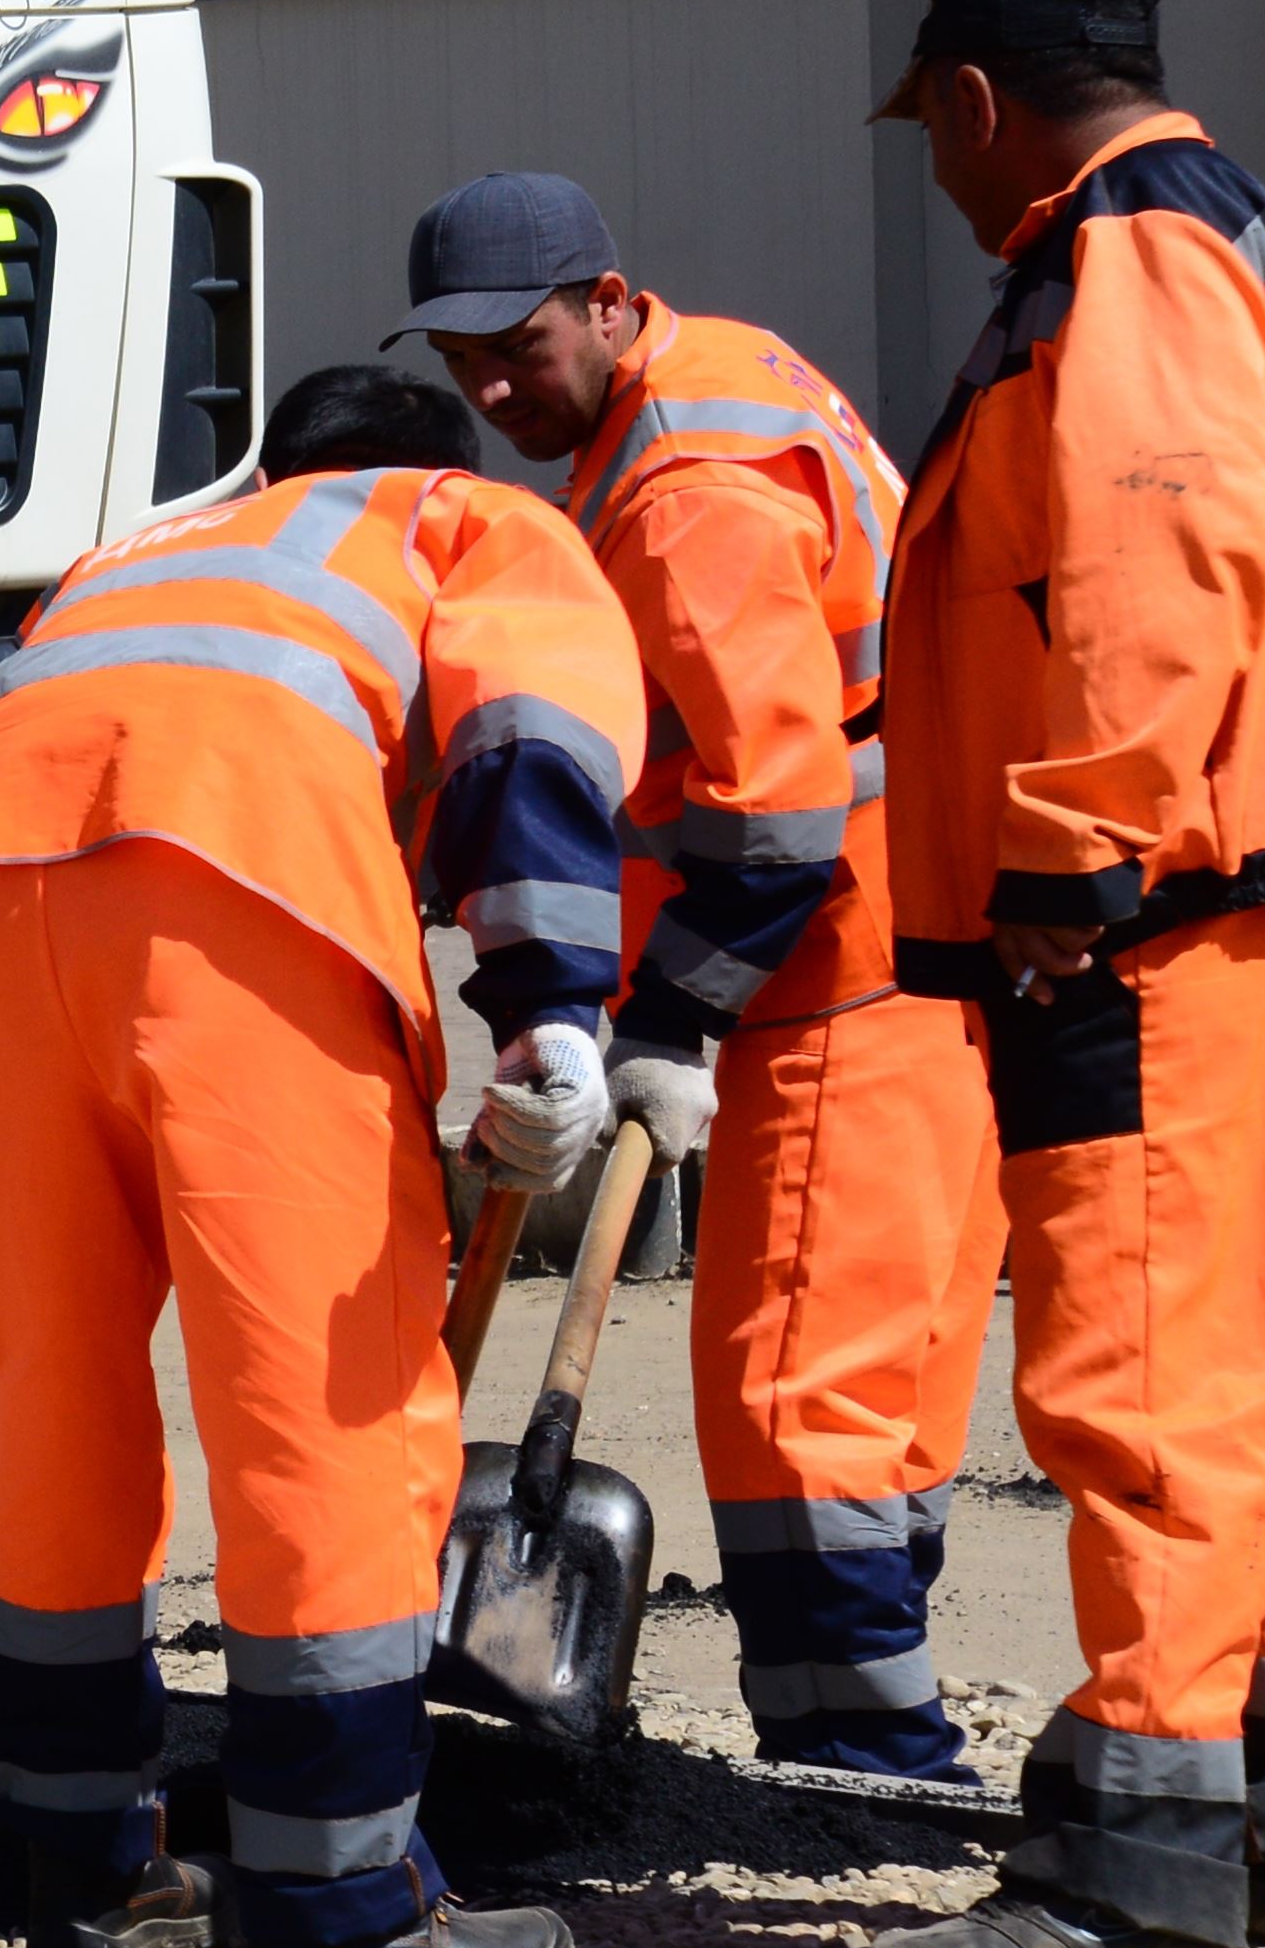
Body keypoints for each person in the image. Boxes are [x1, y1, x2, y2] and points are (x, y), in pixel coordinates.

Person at [855, 0, 1265, 1948]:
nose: (936, 165)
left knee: (1145, 1363)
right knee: (1258, 1357)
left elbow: (1151, 542)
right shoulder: (1236, 238)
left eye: (931, 126)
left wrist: (1068, 838)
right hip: (1264, 871)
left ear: (973, 105)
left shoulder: (1126, 249)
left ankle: (1139, 1854)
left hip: (1162, 892)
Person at [0, 363, 642, 1948]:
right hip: (231, 886)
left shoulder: (145, 555)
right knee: (322, 1411)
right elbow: (527, 739)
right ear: (418, 464)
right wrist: (550, 1020)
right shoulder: (453, 519)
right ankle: (341, 1922)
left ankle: (88, 1873)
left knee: (57, 1397)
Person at [399, 172, 1005, 1782]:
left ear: (606, 302)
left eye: (515, 347)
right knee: (885, 1358)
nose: (488, 388)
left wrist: (665, 1019)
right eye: (461, 362)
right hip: (912, 946)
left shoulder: (682, 489)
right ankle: (862, 1711)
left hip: (838, 961)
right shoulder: (712, 380)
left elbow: (778, 807)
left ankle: (858, 1769)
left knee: (791, 1378)